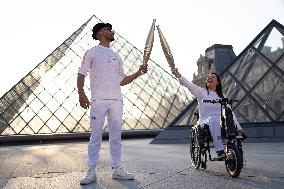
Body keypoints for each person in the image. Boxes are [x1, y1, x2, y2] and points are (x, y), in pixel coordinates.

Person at [77, 22, 148, 185]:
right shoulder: (91, 53)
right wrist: (81, 94)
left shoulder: (117, 55)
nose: (112, 32)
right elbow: (81, 74)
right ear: (101, 33)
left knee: (116, 137)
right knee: (95, 136)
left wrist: (138, 72)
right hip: (98, 100)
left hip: (117, 100)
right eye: (109, 30)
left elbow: (122, 80)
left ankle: (117, 169)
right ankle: (91, 171)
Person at [171, 68, 246, 159]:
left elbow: (231, 113)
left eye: (213, 77)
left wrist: (239, 128)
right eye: (208, 77)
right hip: (205, 122)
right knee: (214, 118)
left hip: (220, 122)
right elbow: (189, 85)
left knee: (228, 112)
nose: (209, 78)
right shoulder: (201, 92)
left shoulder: (222, 96)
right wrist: (178, 74)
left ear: (217, 82)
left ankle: (232, 147)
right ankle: (220, 150)